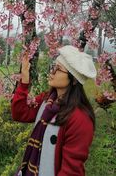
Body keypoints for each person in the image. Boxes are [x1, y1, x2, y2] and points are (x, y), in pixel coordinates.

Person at [11, 45, 97, 176]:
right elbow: (19, 113)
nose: (52, 72)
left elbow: (71, 171)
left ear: (73, 79)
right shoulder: (47, 100)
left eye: (58, 69)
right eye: (53, 66)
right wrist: (24, 81)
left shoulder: (80, 119)